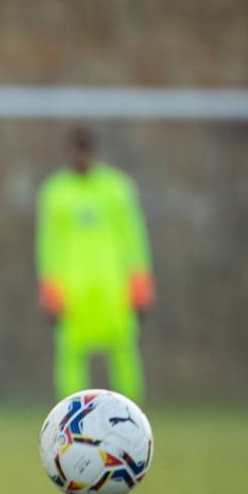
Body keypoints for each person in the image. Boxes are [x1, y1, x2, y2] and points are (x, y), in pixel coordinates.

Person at [36, 128, 155, 401]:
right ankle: (71, 415)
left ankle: (131, 413)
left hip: (113, 286)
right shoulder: (55, 192)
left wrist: (141, 283)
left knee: (124, 349)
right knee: (70, 353)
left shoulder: (117, 189)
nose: (82, 158)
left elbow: (134, 238)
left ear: (95, 153)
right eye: (77, 151)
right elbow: (47, 244)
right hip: (72, 288)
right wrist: (49, 288)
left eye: (86, 151)